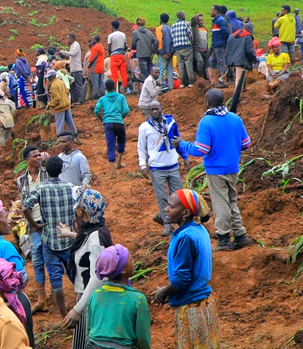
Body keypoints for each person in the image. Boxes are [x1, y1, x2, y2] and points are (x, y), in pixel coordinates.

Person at [179, 88, 252, 252]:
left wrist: (182, 144)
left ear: (207, 103)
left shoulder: (207, 122)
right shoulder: (235, 119)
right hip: (233, 167)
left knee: (220, 203)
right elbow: (246, 144)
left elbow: (201, 149)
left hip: (216, 169)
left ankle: (224, 237)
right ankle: (240, 235)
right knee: (232, 199)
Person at [151, 190, 219, 349]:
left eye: (171, 206)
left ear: (186, 212)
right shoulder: (199, 229)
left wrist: (164, 292)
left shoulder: (185, 237)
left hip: (191, 307)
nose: (166, 209)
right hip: (204, 303)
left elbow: (182, 279)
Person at [57, 188, 113, 349]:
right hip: (88, 296)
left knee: (88, 342)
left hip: (91, 299)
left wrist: (77, 309)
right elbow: (88, 243)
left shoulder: (96, 238)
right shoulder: (96, 228)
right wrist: (69, 234)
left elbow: (98, 276)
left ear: (82, 210)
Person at [22, 156, 75, 319]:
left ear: (47, 170)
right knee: (76, 276)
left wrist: (35, 226)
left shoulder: (41, 188)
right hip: (69, 239)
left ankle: (64, 316)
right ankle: (82, 309)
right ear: (61, 170)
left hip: (49, 241)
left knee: (55, 280)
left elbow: (25, 208)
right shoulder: (70, 187)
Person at [85, 245, 151, 349]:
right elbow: (143, 339)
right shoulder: (137, 299)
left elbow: (89, 329)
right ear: (123, 269)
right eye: (130, 259)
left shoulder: (96, 294)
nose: (133, 261)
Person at [94, 80, 129, 173]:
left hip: (108, 123)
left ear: (105, 88)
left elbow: (96, 110)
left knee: (111, 145)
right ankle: (119, 163)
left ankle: (112, 171)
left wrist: (101, 119)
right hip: (119, 122)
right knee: (121, 141)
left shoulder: (102, 99)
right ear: (114, 87)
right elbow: (126, 110)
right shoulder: (121, 97)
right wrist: (121, 117)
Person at [47, 70, 76, 138]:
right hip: (66, 106)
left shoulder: (53, 85)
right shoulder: (61, 82)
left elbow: (57, 98)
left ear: (51, 77)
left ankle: (60, 139)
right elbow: (67, 92)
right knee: (70, 123)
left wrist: (49, 105)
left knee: (59, 125)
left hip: (59, 108)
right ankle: (75, 136)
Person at [57, 34, 84, 104]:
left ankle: (81, 100)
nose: (67, 40)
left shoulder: (76, 45)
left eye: (68, 39)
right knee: (73, 85)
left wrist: (63, 52)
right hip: (73, 68)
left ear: (72, 39)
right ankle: (75, 100)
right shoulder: (72, 46)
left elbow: (72, 53)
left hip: (76, 68)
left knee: (78, 85)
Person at [209, 6, 230, 87]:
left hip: (219, 45)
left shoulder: (220, 20)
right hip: (215, 45)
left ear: (216, 11)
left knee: (221, 62)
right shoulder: (215, 21)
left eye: (212, 10)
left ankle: (224, 82)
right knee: (213, 62)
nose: (210, 12)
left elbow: (225, 32)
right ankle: (216, 82)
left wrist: (223, 41)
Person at [155, 14, 175, 92]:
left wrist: (162, 52)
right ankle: (171, 87)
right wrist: (171, 52)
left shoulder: (159, 28)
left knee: (159, 71)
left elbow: (159, 41)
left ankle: (158, 89)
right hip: (170, 53)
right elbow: (173, 41)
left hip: (162, 53)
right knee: (170, 70)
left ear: (160, 20)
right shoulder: (171, 28)